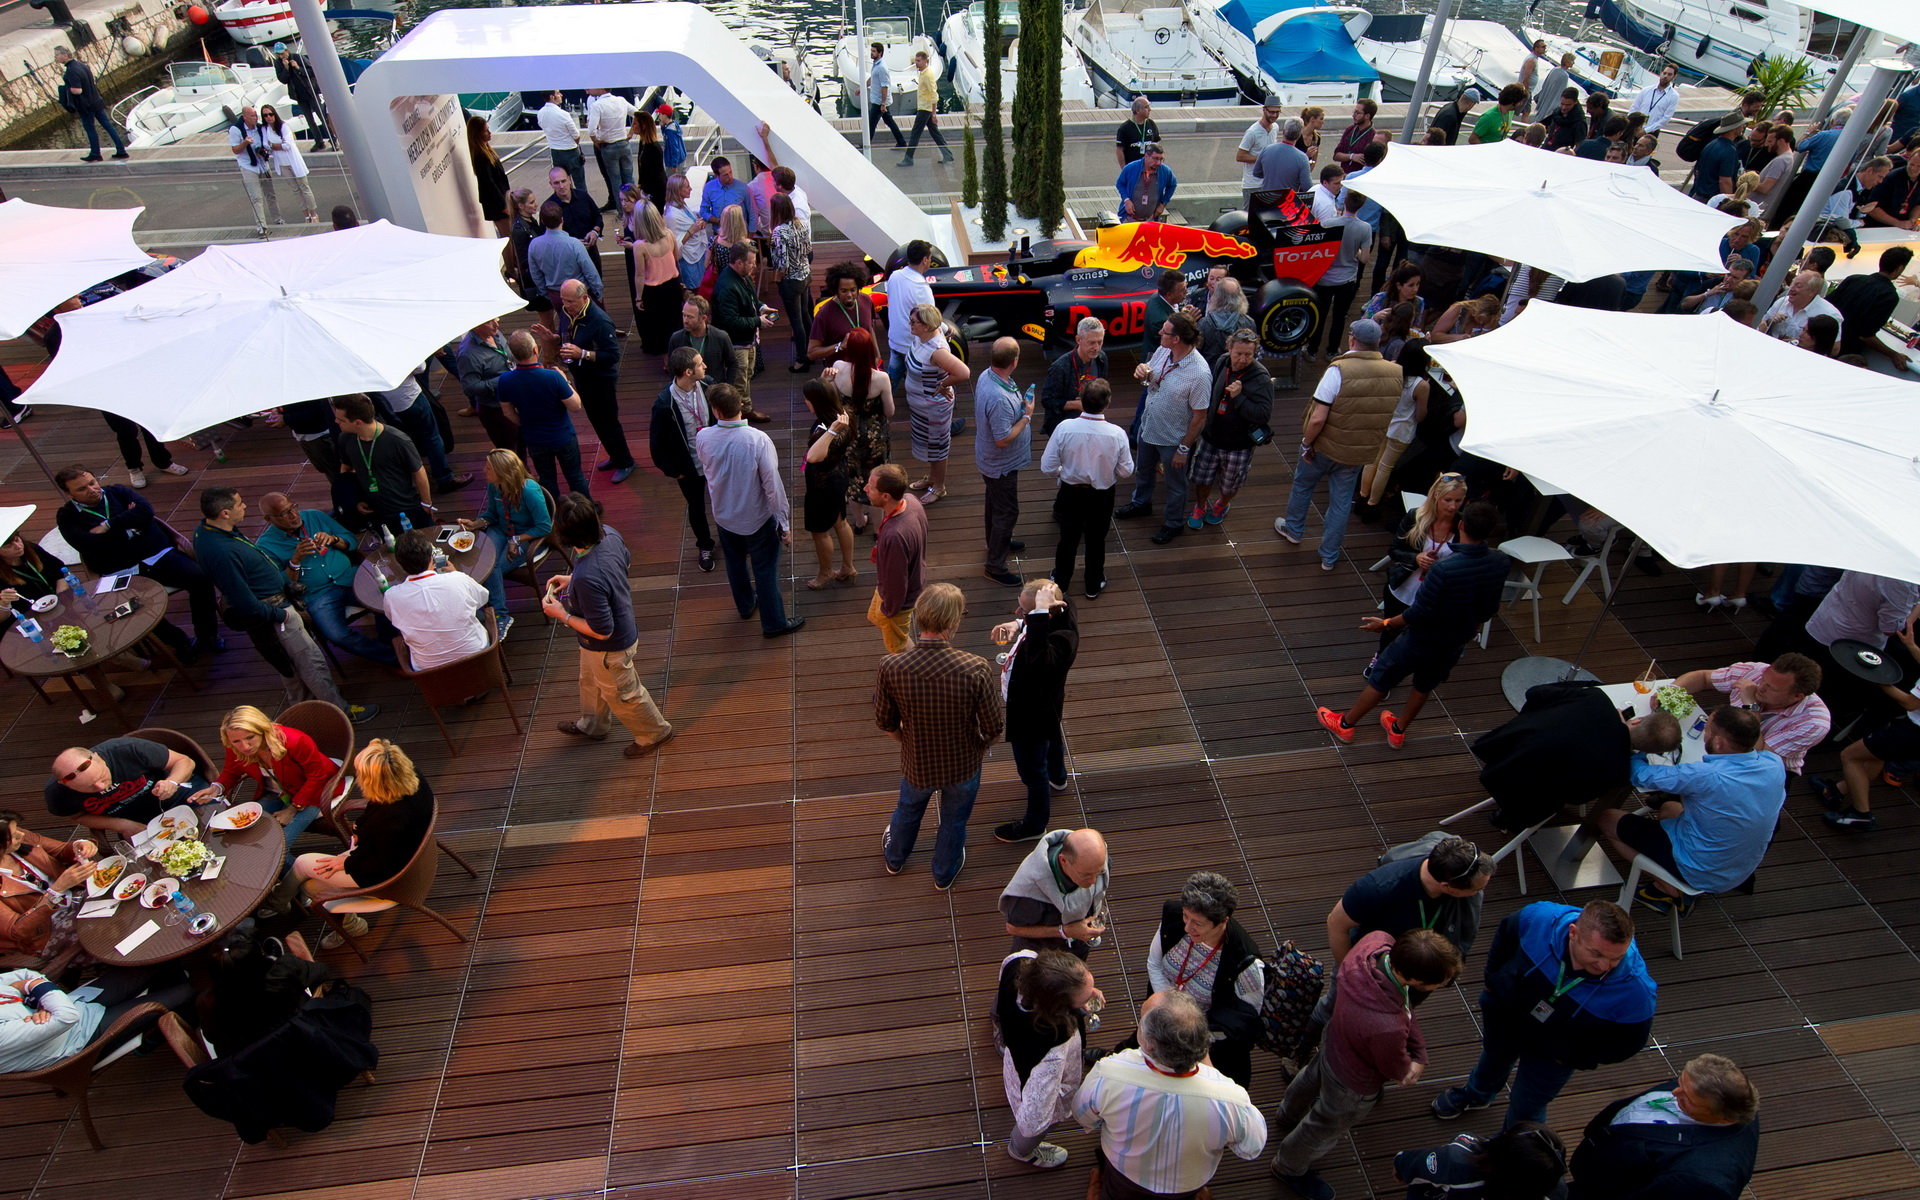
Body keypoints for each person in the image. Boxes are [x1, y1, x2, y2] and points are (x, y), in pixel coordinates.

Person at [1269, 928, 1461, 1200]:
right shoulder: (1387, 1025)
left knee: (1310, 1077)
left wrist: (1417, 1048)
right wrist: (1413, 1066)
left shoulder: (1375, 943)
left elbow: (1403, 1008)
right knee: (1324, 1125)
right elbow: (1393, 1066)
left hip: (1334, 1039)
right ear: (1415, 979)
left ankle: (1286, 1114)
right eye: (1439, 982)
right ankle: (1288, 1167)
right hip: (1353, 1082)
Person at [1432, 899, 1657, 1128]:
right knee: (1493, 1058)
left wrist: (1572, 1057)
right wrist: (1493, 984)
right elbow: (1505, 938)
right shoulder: (1538, 918)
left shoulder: (1636, 992)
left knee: (1527, 1105)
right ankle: (1477, 1094)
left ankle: (1514, 1144)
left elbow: (1628, 1043)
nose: (1604, 966)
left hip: (1554, 1054)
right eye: (1595, 953)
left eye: (1616, 958)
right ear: (1573, 932)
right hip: (1507, 1016)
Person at [1317, 501, 1509, 747]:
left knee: (1383, 676)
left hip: (1423, 637)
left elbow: (1419, 612)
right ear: (1491, 530)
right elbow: (1490, 608)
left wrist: (1386, 623)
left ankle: (1345, 725)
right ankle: (1398, 730)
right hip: (1456, 640)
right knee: (1425, 684)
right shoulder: (1500, 562)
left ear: (1461, 525)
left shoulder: (1444, 569)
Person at [194, 487, 371, 721]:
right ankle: (342, 715)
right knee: (311, 665)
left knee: (291, 670)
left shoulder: (216, 533)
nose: (244, 506)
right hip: (276, 612)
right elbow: (241, 598)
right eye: (239, 504)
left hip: (280, 605)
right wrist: (282, 616)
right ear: (225, 513)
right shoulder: (220, 551)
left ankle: (304, 717)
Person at [1073, 990, 1267, 1199]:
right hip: (1187, 1186)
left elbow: (1083, 1115)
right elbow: (1251, 1148)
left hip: (1125, 1176)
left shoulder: (1109, 1074)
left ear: (1149, 1043)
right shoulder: (1230, 1098)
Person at [1592, 706, 1786, 914]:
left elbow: (1639, 774)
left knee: (1607, 818)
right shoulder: (1773, 763)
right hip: (1739, 869)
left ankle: (1671, 888)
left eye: (1708, 731)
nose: (1705, 736)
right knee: (1669, 807)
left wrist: (1634, 740)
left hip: (1698, 869)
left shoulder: (1707, 776)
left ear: (1719, 742)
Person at [876, 581, 1001, 888]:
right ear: (954, 621)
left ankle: (895, 857)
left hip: (917, 761)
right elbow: (994, 728)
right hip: (963, 764)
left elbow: (886, 722)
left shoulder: (891, 665)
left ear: (919, 617)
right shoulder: (975, 668)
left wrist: (907, 741)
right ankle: (943, 873)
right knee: (954, 820)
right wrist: (980, 746)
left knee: (908, 809)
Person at [542, 494, 674, 759]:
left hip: (609, 648)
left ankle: (654, 733)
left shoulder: (589, 576)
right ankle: (592, 725)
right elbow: (623, 563)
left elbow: (603, 630)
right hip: (601, 641)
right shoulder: (610, 535)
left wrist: (561, 614)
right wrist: (574, 578)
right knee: (590, 682)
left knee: (625, 695)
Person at [1277, 318, 1400, 570]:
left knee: (1303, 484)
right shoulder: (1395, 372)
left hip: (1324, 447)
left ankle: (1294, 529)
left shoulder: (1339, 370)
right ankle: (1329, 555)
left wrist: (1306, 444)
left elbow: (1318, 417)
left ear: (1352, 339)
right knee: (1341, 502)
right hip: (1358, 451)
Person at [53, 465, 219, 651]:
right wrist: (130, 526)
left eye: (92, 483)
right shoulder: (66, 516)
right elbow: (87, 544)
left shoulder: (118, 491)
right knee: (133, 607)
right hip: (119, 569)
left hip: (157, 554)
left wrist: (109, 525)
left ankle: (208, 637)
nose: (92, 490)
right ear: (69, 494)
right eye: (82, 489)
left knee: (200, 579)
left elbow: (146, 511)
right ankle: (180, 643)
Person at [1475, 684, 1682, 831]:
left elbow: (1535, 693)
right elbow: (1576, 798)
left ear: (1637, 721)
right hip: (1524, 797)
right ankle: (1507, 820)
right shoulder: (1618, 770)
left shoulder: (1596, 699)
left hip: (1500, 751)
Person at [293, 739, 434, 946]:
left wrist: (347, 863)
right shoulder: (411, 780)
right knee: (308, 881)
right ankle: (282, 900)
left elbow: (381, 863)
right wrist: (361, 831)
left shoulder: (391, 819)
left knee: (305, 870)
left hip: (391, 879)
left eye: (360, 773)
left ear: (373, 781)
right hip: (404, 857)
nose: (357, 777)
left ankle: (282, 904)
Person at [1568, 1054, 1760, 1200]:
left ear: (1723, 1118)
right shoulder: (1726, 1095)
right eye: (1680, 1082)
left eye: (1687, 1099)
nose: (1674, 1093)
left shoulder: (1700, 1181)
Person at [696, 385, 804, 639]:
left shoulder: (703, 437)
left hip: (724, 515)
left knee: (735, 564)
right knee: (765, 570)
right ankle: (774, 622)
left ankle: (745, 605)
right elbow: (772, 486)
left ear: (716, 410)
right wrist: (784, 524)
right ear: (741, 406)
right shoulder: (757, 440)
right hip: (757, 519)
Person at [1143, 872, 1264, 1088]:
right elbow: (1154, 963)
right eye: (1185, 916)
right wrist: (1166, 1010)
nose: (1187, 928)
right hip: (1162, 1018)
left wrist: (1191, 1032)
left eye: (1197, 923)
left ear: (1223, 921)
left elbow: (1244, 1018)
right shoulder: (1172, 916)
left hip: (1209, 1044)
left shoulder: (1245, 961)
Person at [255, 492, 398, 667]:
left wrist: (334, 539)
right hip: (317, 594)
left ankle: (394, 643)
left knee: (389, 599)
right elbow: (279, 584)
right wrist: (295, 560)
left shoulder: (314, 516)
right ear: (268, 519)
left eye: (293, 507)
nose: (293, 515)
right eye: (284, 513)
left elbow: (351, 541)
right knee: (336, 635)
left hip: (349, 576)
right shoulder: (265, 546)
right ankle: (394, 658)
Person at [994, 948, 1102, 1170]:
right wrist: (1033, 1130)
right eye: (1083, 998)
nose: (1091, 996)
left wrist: (1083, 994)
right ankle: (1020, 1151)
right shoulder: (1053, 1042)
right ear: (1058, 1006)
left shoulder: (1020, 963)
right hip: (1033, 1072)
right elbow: (1035, 1114)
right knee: (1030, 1123)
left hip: (1016, 1053)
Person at [990, 579, 1079, 841]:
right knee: (1052, 737)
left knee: (1032, 772)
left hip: (1031, 714)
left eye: (1025, 612)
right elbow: (1044, 616)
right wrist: (1018, 624)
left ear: (1046, 613)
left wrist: (1035, 617)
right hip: (1048, 708)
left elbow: (1039, 660)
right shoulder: (1062, 610)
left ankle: (1035, 824)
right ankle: (1058, 777)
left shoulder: (1062, 641)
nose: (1018, 614)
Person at [1810, 625, 1920, 833]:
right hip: (1912, 732)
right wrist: (1912, 646)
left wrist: (1879, 679)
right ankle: (1837, 791)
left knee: (1851, 756)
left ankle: (1861, 814)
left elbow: (1911, 703)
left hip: (1912, 731)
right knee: (1876, 755)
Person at [1326, 835, 1494, 968]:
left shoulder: (1451, 851)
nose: (1479, 893)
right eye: (1476, 890)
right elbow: (1336, 923)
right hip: (1372, 960)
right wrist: (1350, 973)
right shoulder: (1377, 888)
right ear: (1447, 886)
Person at [188, 705, 341, 850]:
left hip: (312, 792)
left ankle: (300, 876)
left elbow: (317, 776)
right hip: (276, 792)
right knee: (246, 838)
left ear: (262, 730)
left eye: (250, 737)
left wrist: (292, 809)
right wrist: (216, 788)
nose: (245, 746)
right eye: (237, 741)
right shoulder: (233, 746)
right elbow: (231, 771)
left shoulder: (295, 741)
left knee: (279, 848)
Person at [1116, 313, 1210, 546]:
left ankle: (1173, 523)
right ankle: (1141, 504)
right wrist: (1143, 372)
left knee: (1176, 485)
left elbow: (1200, 417)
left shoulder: (1199, 373)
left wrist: (1183, 449)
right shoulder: (1163, 351)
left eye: (1165, 331)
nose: (1159, 333)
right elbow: (1151, 375)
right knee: (1144, 470)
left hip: (1173, 438)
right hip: (1149, 427)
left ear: (1176, 338)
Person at [0, 965, 196, 1074]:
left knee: (153, 961)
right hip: (81, 1039)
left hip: (75, 1003)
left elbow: (26, 973)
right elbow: (67, 1017)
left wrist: (36, 993)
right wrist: (34, 987)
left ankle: (162, 1027)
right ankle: (156, 1036)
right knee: (192, 989)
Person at [1042, 380, 1133, 599]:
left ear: (1081, 402)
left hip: (1071, 492)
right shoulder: (1117, 434)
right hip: (1102, 496)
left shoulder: (1064, 428)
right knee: (1096, 539)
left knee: (1068, 538)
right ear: (1108, 404)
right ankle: (1093, 583)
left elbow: (1047, 466)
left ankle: (1061, 582)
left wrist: (1064, 471)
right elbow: (1126, 471)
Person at [1671, 654, 1828, 775]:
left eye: (1771, 688)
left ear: (1797, 696)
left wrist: (1751, 707)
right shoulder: (1756, 671)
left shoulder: (1814, 722)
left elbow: (1757, 755)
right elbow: (1703, 677)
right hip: (1722, 744)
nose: (1760, 687)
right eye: (1763, 680)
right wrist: (1671, 691)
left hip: (1760, 771)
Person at [455, 449, 552, 640]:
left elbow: (544, 526)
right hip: (501, 530)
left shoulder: (529, 491)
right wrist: (477, 523)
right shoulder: (494, 485)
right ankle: (481, 606)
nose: (484, 470)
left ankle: (500, 614)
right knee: (479, 557)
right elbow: (492, 514)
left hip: (526, 536)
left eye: (488, 468)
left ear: (502, 471)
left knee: (492, 566)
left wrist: (516, 539)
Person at [1184, 329, 1271, 531]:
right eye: (1238, 353)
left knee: (1230, 483)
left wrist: (1239, 398)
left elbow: (1263, 415)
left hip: (1239, 444)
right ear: (1229, 349)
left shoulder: (1261, 378)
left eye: (1248, 354)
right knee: (1201, 476)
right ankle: (1200, 505)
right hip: (1211, 436)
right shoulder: (1222, 362)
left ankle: (1222, 504)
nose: (1242, 359)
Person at [555, 277, 634, 482]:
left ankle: (625, 462)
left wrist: (582, 354)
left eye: (570, 301)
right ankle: (615, 456)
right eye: (563, 300)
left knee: (609, 421)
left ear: (584, 298)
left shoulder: (600, 321)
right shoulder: (566, 313)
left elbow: (612, 356)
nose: (566, 305)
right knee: (597, 421)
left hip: (601, 380)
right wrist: (553, 338)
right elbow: (566, 334)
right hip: (583, 377)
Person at [45, 736, 205, 836]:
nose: (101, 787)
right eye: (90, 787)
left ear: (99, 758)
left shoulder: (126, 749)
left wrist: (172, 781)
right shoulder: (57, 794)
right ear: (65, 785)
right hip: (139, 823)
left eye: (101, 777)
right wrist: (120, 825)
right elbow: (77, 816)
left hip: (181, 798)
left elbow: (185, 761)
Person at [649, 346, 718, 575]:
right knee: (697, 507)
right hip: (689, 468)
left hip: (716, 461)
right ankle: (705, 545)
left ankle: (733, 537)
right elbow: (656, 444)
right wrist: (672, 471)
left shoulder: (708, 384)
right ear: (688, 372)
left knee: (725, 500)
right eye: (700, 364)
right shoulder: (664, 403)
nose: (705, 367)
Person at [497, 330, 590, 499]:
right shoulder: (552, 377)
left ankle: (553, 513)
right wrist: (565, 381)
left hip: (534, 439)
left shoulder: (505, 380)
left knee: (547, 479)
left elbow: (508, 412)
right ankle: (586, 510)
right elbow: (576, 405)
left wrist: (525, 423)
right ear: (535, 350)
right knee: (575, 477)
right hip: (562, 436)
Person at [383, 528, 491, 671]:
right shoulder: (457, 579)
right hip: (476, 654)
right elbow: (483, 599)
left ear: (400, 564)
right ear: (431, 558)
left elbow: (393, 620)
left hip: (428, 671)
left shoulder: (391, 596)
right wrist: (455, 574)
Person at [973, 338, 1034, 586]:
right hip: (1000, 463)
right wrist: (1027, 417)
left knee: (994, 504)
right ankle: (995, 566)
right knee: (1007, 512)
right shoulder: (998, 397)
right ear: (1015, 361)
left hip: (992, 461)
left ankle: (998, 541)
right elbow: (1002, 438)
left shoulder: (987, 376)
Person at [330, 393, 433, 538]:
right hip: (375, 509)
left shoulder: (397, 440)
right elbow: (346, 469)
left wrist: (426, 503)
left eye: (341, 420)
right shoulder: (345, 439)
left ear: (358, 422)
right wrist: (354, 498)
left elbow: (418, 471)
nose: (335, 421)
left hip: (406, 507)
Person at [0, 812, 97, 960]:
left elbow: (61, 850)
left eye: (17, 828)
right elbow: (18, 930)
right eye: (12, 836)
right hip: (47, 932)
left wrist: (80, 846)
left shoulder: (22, 839)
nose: (21, 835)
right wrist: (56, 890)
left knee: (120, 899)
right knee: (100, 933)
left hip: (75, 896)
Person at [901, 302, 971, 504]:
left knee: (938, 447)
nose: (910, 324)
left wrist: (943, 384)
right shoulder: (932, 332)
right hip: (921, 406)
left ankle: (939, 487)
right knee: (930, 445)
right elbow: (946, 327)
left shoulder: (936, 351)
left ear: (926, 326)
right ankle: (932, 478)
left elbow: (964, 372)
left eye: (913, 321)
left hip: (933, 409)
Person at [825, 327, 893, 530]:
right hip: (875, 439)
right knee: (876, 482)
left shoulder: (838, 368)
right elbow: (889, 412)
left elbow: (833, 401)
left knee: (853, 481)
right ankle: (878, 527)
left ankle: (859, 521)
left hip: (849, 434)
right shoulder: (881, 379)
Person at [1000, 827, 1110, 953]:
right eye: (1086, 875)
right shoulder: (1028, 893)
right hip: (1043, 955)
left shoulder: (1097, 860)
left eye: (1099, 873)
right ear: (1063, 860)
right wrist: (1064, 931)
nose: (1093, 882)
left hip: (1078, 942)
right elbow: (1013, 928)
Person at [1394, 1125, 1570, 1200]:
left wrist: (1402, 1169)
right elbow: (1405, 1165)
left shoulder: (1456, 1162)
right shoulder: (1549, 1183)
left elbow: (1403, 1164)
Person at [800, 380, 856, 591]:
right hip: (839, 475)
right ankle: (848, 566)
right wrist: (826, 380)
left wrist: (830, 431)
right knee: (840, 521)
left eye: (808, 399)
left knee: (819, 530)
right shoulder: (844, 414)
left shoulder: (829, 429)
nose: (805, 402)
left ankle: (825, 572)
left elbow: (813, 456)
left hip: (822, 485)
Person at [866, 463, 927, 653]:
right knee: (875, 617)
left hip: (897, 600)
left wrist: (891, 611)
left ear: (886, 496)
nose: (865, 489)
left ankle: (916, 671)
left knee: (898, 648)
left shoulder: (894, 536)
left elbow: (897, 582)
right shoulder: (911, 500)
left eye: (871, 487)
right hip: (901, 585)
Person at [711, 243, 775, 423]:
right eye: (751, 263)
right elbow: (729, 321)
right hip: (736, 343)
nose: (754, 266)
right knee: (739, 381)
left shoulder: (741, 277)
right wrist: (758, 321)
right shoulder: (728, 286)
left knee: (746, 375)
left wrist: (761, 306)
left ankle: (745, 409)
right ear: (738, 262)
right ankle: (737, 416)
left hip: (746, 340)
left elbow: (750, 298)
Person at [1310, 192, 1375, 361]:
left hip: (1324, 278)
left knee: (1320, 314)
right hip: (1347, 279)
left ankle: (1312, 350)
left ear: (1344, 203)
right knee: (1340, 316)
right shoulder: (1365, 228)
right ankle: (1332, 350)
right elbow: (1365, 259)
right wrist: (1357, 250)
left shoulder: (1327, 223)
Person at [622, 196, 683, 357]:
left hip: (654, 291)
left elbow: (640, 275)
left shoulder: (639, 246)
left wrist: (638, 297)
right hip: (673, 285)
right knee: (675, 322)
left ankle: (665, 358)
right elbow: (676, 259)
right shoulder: (669, 234)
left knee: (659, 326)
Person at [1828, 245, 1913, 358]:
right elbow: (1866, 335)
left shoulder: (1854, 279)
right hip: (1845, 351)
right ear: (1900, 268)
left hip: (1825, 338)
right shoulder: (1889, 296)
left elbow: (1828, 305)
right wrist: (1894, 355)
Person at [525, 201, 602, 322]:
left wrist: (546, 293)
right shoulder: (574, 244)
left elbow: (536, 274)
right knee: (590, 325)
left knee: (567, 327)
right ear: (562, 219)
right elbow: (589, 271)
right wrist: (598, 292)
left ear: (543, 221)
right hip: (579, 294)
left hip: (556, 295)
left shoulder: (534, 245)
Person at [456, 318, 522, 457]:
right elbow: (470, 388)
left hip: (514, 400)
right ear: (475, 325)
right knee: (510, 453)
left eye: (497, 319)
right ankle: (517, 478)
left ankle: (525, 476)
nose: (497, 324)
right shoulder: (468, 354)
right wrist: (503, 379)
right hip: (495, 410)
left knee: (522, 443)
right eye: (490, 322)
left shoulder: (494, 333)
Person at [55, 47, 127, 162]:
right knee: (108, 125)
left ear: (65, 55)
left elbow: (77, 90)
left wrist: (66, 90)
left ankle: (95, 153)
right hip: (96, 100)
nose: (56, 58)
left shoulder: (71, 71)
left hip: (86, 106)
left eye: (57, 55)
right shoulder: (82, 65)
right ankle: (121, 150)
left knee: (90, 129)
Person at [807, 261, 882, 370]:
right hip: (841, 374)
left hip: (867, 368)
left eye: (853, 290)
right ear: (835, 290)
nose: (849, 295)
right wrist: (840, 346)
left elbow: (869, 328)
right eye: (844, 291)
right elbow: (811, 353)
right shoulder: (824, 314)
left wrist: (877, 355)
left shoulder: (866, 300)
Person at [1041, 317, 1109, 433]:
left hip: (1091, 423)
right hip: (1064, 427)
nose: (1096, 348)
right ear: (1078, 340)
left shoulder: (1101, 359)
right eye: (1091, 342)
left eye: (1100, 342)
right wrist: (1077, 405)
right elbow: (1047, 401)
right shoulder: (1060, 367)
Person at [769, 193, 812, 373]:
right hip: (805, 274)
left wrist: (776, 280)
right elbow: (808, 249)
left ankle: (802, 360)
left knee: (796, 321)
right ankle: (812, 350)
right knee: (805, 314)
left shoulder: (779, 231)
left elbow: (782, 263)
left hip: (790, 280)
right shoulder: (800, 224)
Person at [258, 103, 318, 225]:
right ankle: (306, 215)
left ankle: (314, 214)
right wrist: (276, 146)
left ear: (275, 114)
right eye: (265, 115)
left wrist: (273, 145)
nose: (269, 117)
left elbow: (288, 145)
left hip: (294, 161)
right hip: (282, 164)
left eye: (271, 114)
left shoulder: (284, 126)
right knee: (295, 190)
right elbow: (265, 145)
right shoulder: (265, 129)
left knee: (304, 187)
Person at [227, 106, 280, 235]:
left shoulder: (260, 128)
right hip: (248, 166)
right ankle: (261, 227)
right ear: (244, 117)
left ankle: (278, 220)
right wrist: (245, 143)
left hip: (263, 164)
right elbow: (235, 150)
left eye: (256, 115)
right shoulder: (235, 129)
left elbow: (266, 145)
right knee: (256, 198)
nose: (255, 118)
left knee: (271, 195)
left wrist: (264, 152)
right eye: (252, 116)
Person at [897, 50, 952, 166]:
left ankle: (908, 158)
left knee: (915, 133)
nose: (916, 63)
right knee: (934, 132)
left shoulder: (927, 75)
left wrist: (933, 114)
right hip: (924, 107)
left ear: (925, 61)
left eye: (918, 61)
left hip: (925, 109)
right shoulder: (923, 73)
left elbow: (934, 94)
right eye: (915, 61)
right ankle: (947, 154)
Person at [270, 42, 329, 150]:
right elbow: (283, 80)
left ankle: (333, 139)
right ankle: (319, 141)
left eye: (282, 54)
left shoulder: (297, 57)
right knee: (309, 120)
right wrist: (286, 68)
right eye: (278, 55)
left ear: (287, 51)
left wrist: (298, 68)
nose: (281, 56)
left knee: (322, 117)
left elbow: (312, 71)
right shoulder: (278, 63)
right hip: (298, 95)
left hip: (310, 92)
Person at [1759, 269, 1842, 344]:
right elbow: (1761, 323)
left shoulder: (1829, 314)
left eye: (1798, 286)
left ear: (1812, 291)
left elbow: (1834, 349)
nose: (1791, 288)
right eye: (1792, 283)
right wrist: (1770, 321)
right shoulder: (1782, 301)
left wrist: (1799, 343)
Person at [536, 90, 591, 201]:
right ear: (552, 97)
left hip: (555, 152)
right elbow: (576, 134)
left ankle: (566, 203)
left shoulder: (540, 113)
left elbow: (542, 126)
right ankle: (583, 203)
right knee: (580, 183)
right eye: (558, 93)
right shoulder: (563, 114)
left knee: (561, 183)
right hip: (570, 151)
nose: (561, 95)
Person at [585, 87, 635, 207]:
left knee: (615, 180)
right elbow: (638, 114)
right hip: (624, 143)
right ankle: (636, 207)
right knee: (629, 177)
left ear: (601, 89)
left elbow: (591, 130)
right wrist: (631, 132)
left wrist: (596, 141)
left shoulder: (597, 105)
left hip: (609, 146)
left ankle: (622, 210)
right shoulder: (621, 100)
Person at [466, 114, 511, 237]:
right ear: (478, 134)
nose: (490, 133)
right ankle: (509, 257)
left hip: (500, 200)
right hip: (497, 204)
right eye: (486, 131)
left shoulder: (486, 151)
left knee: (508, 235)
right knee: (507, 236)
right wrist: (503, 205)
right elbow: (489, 183)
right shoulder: (481, 156)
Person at [664, 173, 709, 292]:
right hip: (687, 258)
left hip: (697, 254)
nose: (690, 189)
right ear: (678, 190)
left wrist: (699, 224)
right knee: (693, 290)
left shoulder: (683, 206)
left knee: (701, 287)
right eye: (687, 187)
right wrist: (692, 230)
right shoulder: (672, 215)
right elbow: (674, 243)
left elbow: (691, 223)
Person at [1237, 98, 1284, 210]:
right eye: (1272, 112)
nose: (1275, 115)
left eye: (1277, 112)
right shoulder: (1252, 132)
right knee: (1249, 216)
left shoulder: (1275, 128)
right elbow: (1240, 156)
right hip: (1252, 184)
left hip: (1268, 183)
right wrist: (1262, 158)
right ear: (1264, 110)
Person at [1115, 143, 1176, 221]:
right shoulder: (1130, 168)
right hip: (1128, 218)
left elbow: (1172, 185)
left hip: (1150, 219)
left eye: (1161, 159)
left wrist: (1163, 204)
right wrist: (1126, 200)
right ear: (1146, 156)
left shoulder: (1165, 171)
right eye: (1156, 158)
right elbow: (1120, 183)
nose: (1158, 163)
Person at [545, 163, 602, 245]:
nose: (561, 186)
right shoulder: (548, 207)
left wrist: (595, 232)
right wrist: (573, 243)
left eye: (563, 181)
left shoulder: (583, 196)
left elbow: (597, 216)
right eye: (556, 183)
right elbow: (547, 236)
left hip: (590, 248)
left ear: (569, 180)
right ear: (551, 184)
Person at [864, 42, 906, 147]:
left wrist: (883, 104)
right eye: (871, 51)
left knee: (871, 124)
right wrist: (862, 87)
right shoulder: (876, 65)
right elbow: (873, 78)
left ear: (880, 53)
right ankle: (901, 142)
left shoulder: (882, 67)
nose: (871, 53)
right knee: (889, 121)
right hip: (879, 100)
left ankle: (866, 145)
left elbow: (885, 86)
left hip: (879, 102)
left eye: (874, 51)